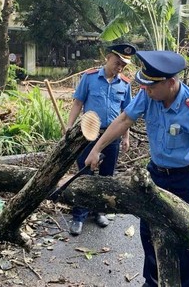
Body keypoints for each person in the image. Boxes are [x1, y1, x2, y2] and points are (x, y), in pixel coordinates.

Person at [83, 50, 189, 287]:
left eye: (151, 87)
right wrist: (97, 148)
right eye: (145, 86)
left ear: (170, 83)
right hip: (155, 174)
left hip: (183, 179)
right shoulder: (150, 95)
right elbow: (124, 120)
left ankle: (183, 284)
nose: (146, 90)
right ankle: (153, 280)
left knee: (183, 236)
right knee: (149, 230)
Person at [66, 43, 136, 236]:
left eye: (123, 65)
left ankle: (100, 211)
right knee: (84, 174)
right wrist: (69, 126)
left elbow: (126, 113)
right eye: (117, 62)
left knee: (107, 176)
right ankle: (79, 216)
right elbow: (78, 102)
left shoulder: (124, 83)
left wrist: (126, 137)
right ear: (108, 57)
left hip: (111, 136)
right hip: (88, 133)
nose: (119, 67)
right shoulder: (89, 78)